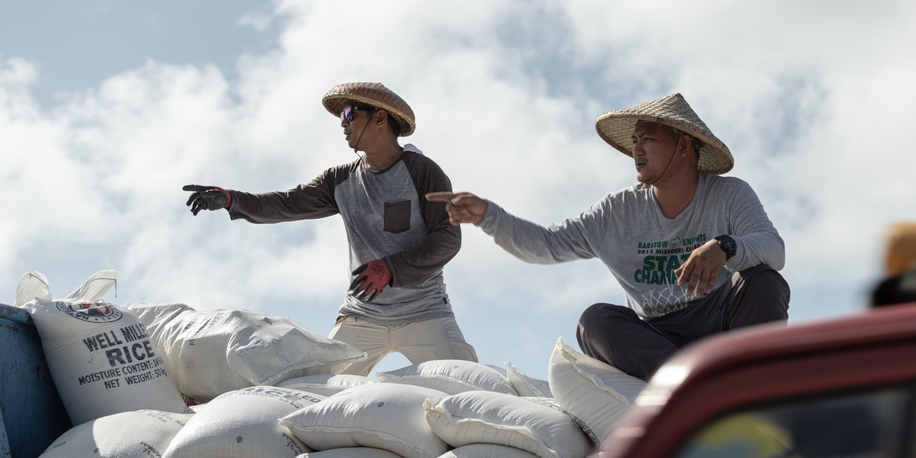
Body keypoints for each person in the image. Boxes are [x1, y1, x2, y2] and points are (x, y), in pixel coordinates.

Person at [427, 92, 789, 381]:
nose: (637, 150)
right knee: (595, 321)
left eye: (648, 139)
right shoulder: (617, 211)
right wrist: (488, 216)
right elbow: (547, 245)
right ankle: (691, 386)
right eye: (634, 141)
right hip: (658, 338)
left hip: (719, 322)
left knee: (764, 282)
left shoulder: (730, 195)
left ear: (683, 146)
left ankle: (750, 387)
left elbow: (773, 249)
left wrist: (726, 247)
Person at [184, 81, 477, 375]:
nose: (343, 124)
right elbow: (288, 202)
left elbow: (448, 238)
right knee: (316, 392)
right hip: (362, 316)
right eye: (341, 117)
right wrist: (232, 199)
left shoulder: (422, 171)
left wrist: (390, 268)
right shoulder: (339, 180)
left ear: (379, 118)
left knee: (475, 386)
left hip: (425, 314)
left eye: (350, 113)